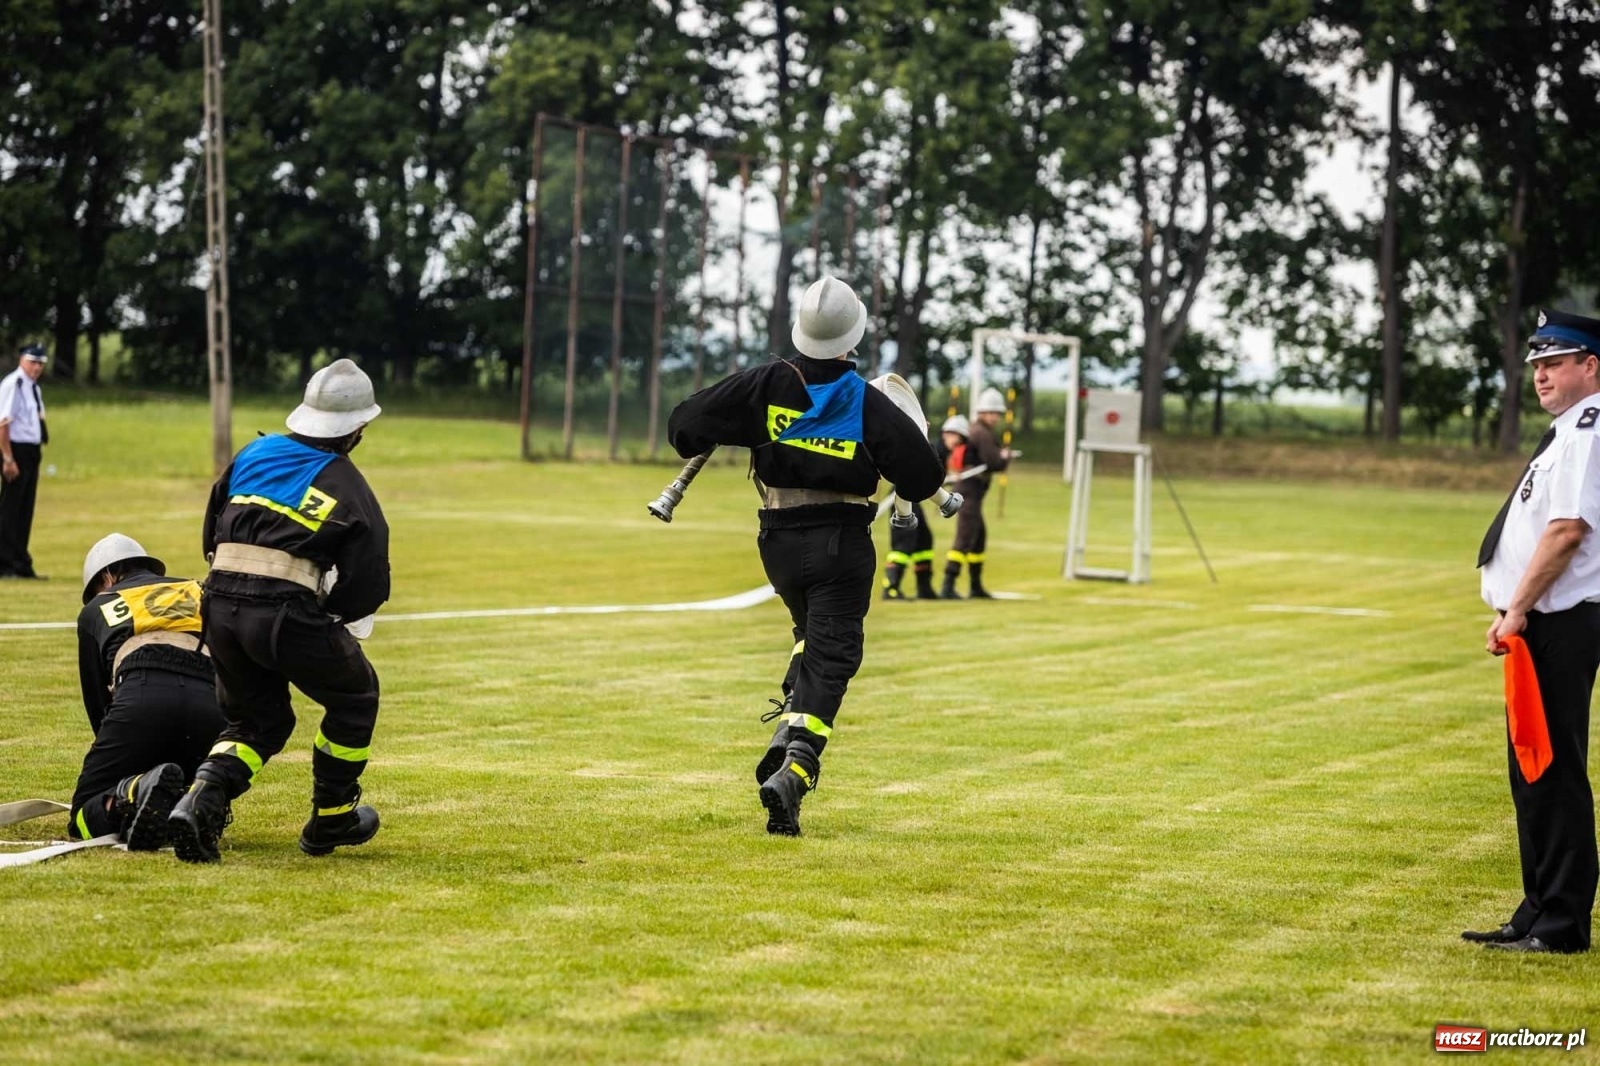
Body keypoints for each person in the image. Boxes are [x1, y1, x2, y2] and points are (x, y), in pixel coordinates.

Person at [667, 275, 943, 835]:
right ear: (853, 335)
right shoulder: (864, 399)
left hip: (777, 543)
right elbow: (923, 475)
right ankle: (796, 768)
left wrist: (755, 422)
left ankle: (784, 733)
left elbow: (684, 427)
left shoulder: (766, 382)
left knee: (811, 635)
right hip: (841, 544)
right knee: (835, 655)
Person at [168, 358, 391, 864]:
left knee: (254, 721)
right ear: (358, 429)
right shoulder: (348, 484)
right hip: (284, 613)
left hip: (219, 604)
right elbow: (367, 579)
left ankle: (202, 798)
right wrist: (331, 613)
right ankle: (332, 816)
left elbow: (213, 528)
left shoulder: (255, 452)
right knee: (355, 696)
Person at [1468, 307, 1600, 954]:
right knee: (1532, 769)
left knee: (1553, 771)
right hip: (1538, 619)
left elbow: (1567, 531)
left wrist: (1517, 607)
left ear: (1591, 366)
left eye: (1555, 362)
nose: (1542, 375)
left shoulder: (1589, 432)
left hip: (1558, 620)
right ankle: (1538, 907)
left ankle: (1561, 924)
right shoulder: (1568, 431)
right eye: (1537, 365)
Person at [68, 534, 225, 848]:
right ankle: (197, 803)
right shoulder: (200, 590)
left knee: (83, 818)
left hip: (141, 696)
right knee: (182, 798)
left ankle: (132, 793)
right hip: (211, 702)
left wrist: (126, 765)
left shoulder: (98, 606)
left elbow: (99, 705)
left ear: (106, 577)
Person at [941, 388, 1013, 599]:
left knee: (978, 538)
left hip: (971, 492)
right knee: (964, 538)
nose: (996, 418)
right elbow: (994, 462)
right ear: (984, 412)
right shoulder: (981, 433)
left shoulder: (974, 430)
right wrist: (1005, 457)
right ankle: (948, 584)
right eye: (994, 413)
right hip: (969, 493)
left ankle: (975, 585)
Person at [0, 343, 50, 579]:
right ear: (22, 360)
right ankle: (5, 563)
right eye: (33, 362)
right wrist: (7, 458)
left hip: (31, 452)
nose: (37, 367)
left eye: (40, 363)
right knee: (11, 508)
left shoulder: (33, 388)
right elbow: (3, 424)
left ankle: (21, 562)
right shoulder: (13, 384)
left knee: (25, 509)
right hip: (15, 451)